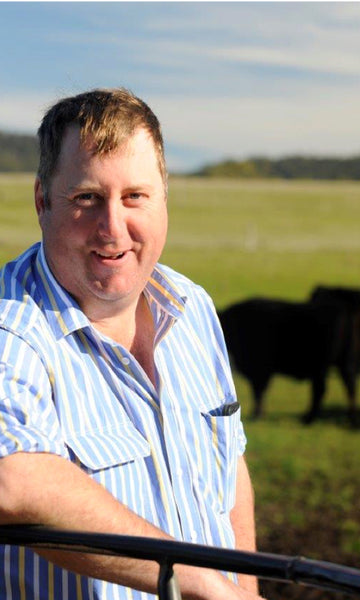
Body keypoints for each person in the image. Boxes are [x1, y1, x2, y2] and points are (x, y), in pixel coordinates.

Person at [0, 88, 265, 600]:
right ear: (41, 201)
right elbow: (12, 475)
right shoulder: (13, 328)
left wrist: (244, 591)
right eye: (86, 198)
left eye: (134, 197)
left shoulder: (192, 308)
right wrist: (200, 583)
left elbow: (230, 467)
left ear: (164, 196)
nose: (112, 228)